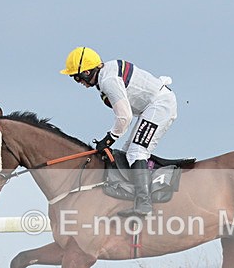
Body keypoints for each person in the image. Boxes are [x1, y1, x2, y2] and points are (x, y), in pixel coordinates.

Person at [60, 46, 177, 217]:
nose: (78, 82)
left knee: (137, 152)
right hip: (151, 106)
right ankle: (135, 197)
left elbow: (124, 117)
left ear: (86, 72)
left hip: (159, 105)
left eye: (76, 77)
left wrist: (108, 140)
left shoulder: (108, 81)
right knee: (127, 152)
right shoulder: (106, 72)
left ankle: (145, 203)